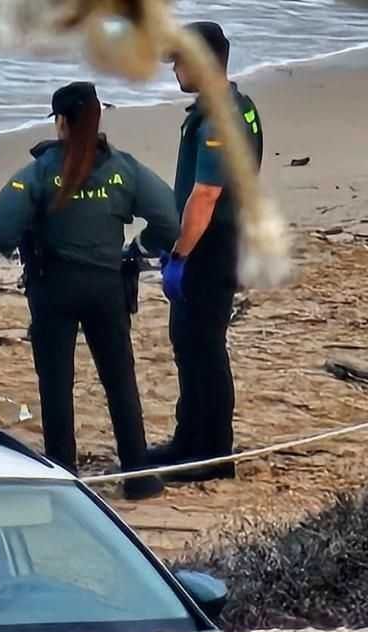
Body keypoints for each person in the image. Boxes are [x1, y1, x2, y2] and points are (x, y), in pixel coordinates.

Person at [0, 82, 180, 501]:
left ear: (59, 122)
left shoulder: (39, 172)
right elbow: (169, 219)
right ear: (97, 117)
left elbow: (1, 228)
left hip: (53, 288)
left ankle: (66, 478)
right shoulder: (122, 169)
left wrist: (26, 237)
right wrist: (140, 247)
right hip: (107, 288)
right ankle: (138, 476)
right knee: (119, 380)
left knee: (56, 384)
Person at [150, 22, 264, 482]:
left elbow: (206, 195)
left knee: (204, 347)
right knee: (189, 341)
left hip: (210, 245)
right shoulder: (238, 105)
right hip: (219, 239)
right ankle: (189, 440)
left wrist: (178, 256)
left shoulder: (219, 117)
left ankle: (212, 455)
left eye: (179, 60)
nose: (175, 69)